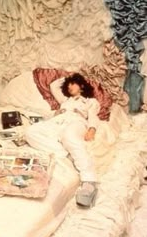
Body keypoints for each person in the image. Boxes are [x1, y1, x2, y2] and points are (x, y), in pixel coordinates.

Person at [25, 73, 100, 207]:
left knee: (69, 136)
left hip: (76, 122)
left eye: (73, 83)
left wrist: (92, 129)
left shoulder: (90, 101)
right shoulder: (65, 100)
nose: (69, 86)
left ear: (81, 86)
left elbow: (93, 116)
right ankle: (67, 154)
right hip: (57, 121)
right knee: (31, 132)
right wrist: (68, 77)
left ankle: (89, 182)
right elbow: (54, 86)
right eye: (68, 85)